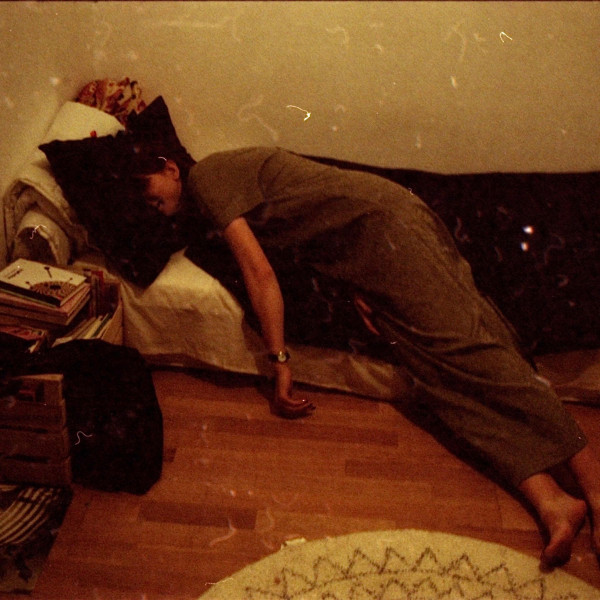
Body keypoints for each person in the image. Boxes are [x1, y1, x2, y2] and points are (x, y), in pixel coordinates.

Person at [132, 145, 600, 569]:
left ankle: (596, 488)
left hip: (387, 229)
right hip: (364, 254)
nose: (151, 205)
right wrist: (357, 281)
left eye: (149, 191)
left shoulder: (206, 177)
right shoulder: (204, 209)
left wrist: (280, 362)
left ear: (171, 168)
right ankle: (553, 502)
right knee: (433, 373)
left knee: (473, 352)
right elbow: (307, 224)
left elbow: (260, 273)